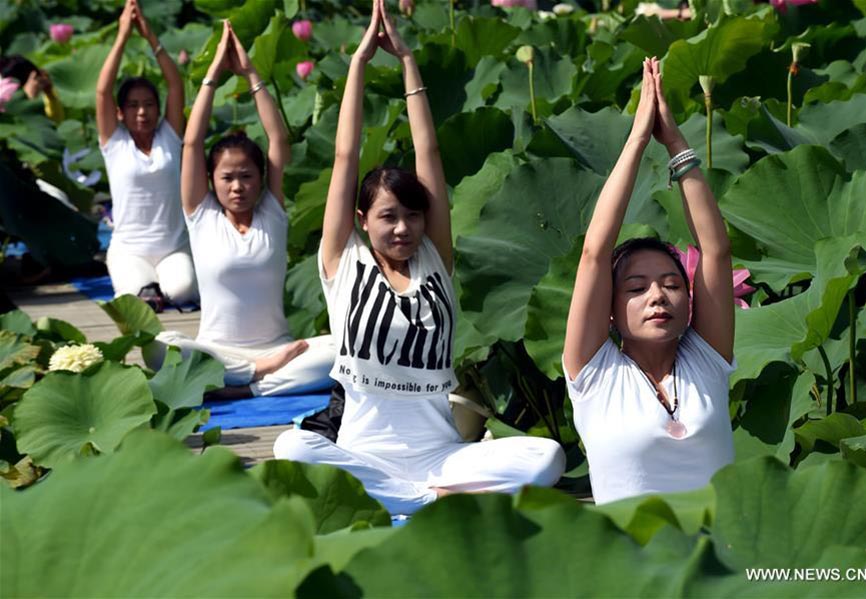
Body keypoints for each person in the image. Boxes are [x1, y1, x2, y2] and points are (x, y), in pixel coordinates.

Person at [273, 0, 566, 516]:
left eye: (412, 215)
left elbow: (429, 154)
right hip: (360, 453)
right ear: (362, 219)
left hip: (442, 456)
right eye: (388, 217)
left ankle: (412, 497)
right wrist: (359, 67)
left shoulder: (436, 261)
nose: (403, 227)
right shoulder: (343, 264)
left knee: (548, 456)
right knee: (290, 447)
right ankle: (430, 503)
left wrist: (409, 63)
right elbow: (345, 157)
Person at [562, 58, 736, 505]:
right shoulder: (593, 373)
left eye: (672, 284)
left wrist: (675, 141)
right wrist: (638, 138)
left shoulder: (707, 361)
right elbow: (593, 254)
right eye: (636, 288)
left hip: (718, 558)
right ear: (611, 308)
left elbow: (715, 251)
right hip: (632, 564)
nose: (657, 295)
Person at [147, 21, 334, 398]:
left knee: (342, 349)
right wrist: (212, 76)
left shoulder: (272, 212)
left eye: (247, 176)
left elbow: (278, 137)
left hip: (281, 349)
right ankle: (255, 376)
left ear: (262, 178)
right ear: (211, 179)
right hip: (217, 352)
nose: (237, 186)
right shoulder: (201, 216)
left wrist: (250, 72)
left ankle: (242, 388)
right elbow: (191, 142)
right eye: (227, 177)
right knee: (159, 344)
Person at [96, 0, 197, 307]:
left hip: (173, 248)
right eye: (133, 106)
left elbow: (175, 84)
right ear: (121, 113)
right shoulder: (114, 142)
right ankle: (145, 289)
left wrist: (151, 37)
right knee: (136, 298)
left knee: (181, 292)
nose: (142, 112)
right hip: (129, 250)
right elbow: (102, 90)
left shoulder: (169, 135)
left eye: (150, 104)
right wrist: (123, 35)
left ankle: (159, 289)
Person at [0, 55, 65, 123]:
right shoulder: (5, 98)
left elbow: (55, 123)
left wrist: (50, 94)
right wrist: (29, 97)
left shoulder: (44, 96)